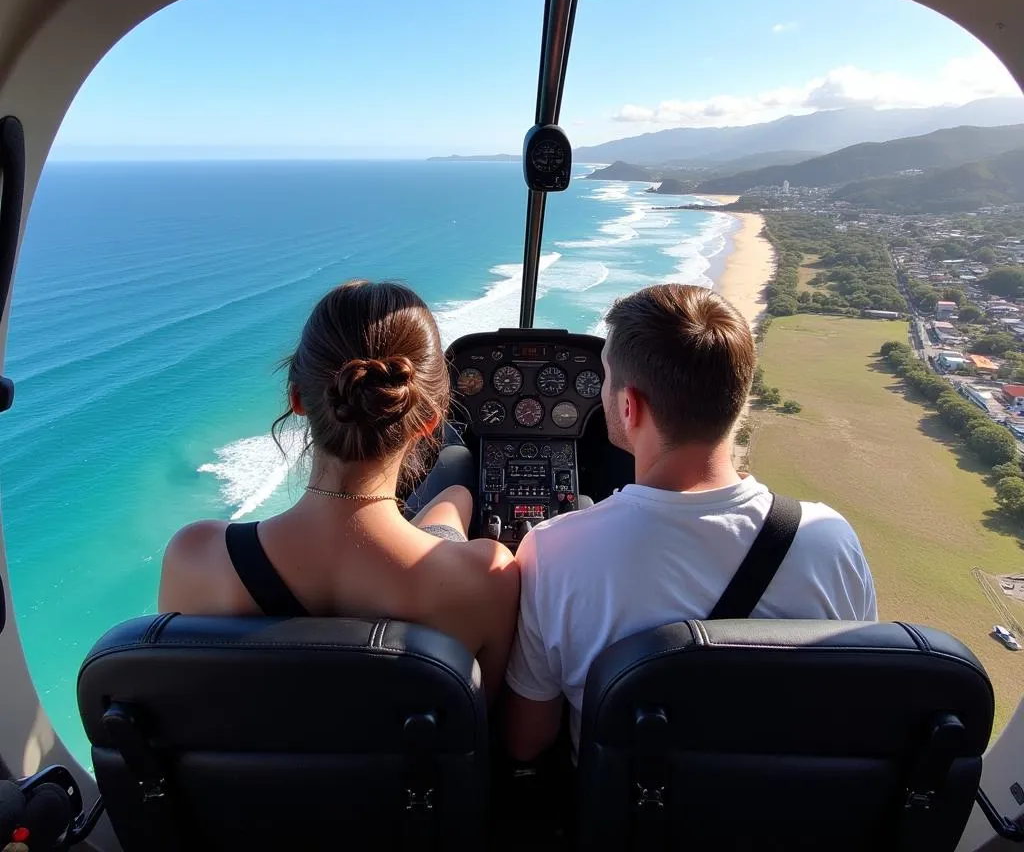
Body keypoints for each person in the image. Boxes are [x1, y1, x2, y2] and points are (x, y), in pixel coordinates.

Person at [503, 283, 876, 761]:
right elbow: (857, 693)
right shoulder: (831, 540)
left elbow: (525, 743)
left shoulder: (554, 551)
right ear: (739, 399)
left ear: (628, 406)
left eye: (605, 379)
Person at [159, 280, 519, 702]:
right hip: (410, 764)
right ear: (429, 421)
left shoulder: (195, 554)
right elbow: (484, 718)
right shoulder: (487, 577)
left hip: (251, 767)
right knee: (456, 491)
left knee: (453, 499)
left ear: (297, 399)